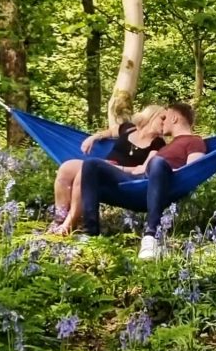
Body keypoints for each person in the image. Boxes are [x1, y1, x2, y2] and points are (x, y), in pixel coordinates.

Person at [81, 101, 206, 260]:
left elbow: (193, 170)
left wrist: (162, 169)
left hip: (162, 181)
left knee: (158, 162)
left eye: (165, 117)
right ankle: (89, 234)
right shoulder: (166, 144)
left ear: (174, 118)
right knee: (91, 164)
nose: (163, 121)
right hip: (138, 181)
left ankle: (150, 237)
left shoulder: (194, 141)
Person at [50, 105, 166, 235]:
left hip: (120, 174)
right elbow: (111, 132)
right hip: (102, 165)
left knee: (83, 173)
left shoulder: (158, 143)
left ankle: (69, 224)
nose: (165, 122)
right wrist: (94, 137)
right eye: (163, 118)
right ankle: (59, 219)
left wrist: (115, 167)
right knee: (65, 168)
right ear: (152, 116)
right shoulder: (129, 128)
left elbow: (142, 169)